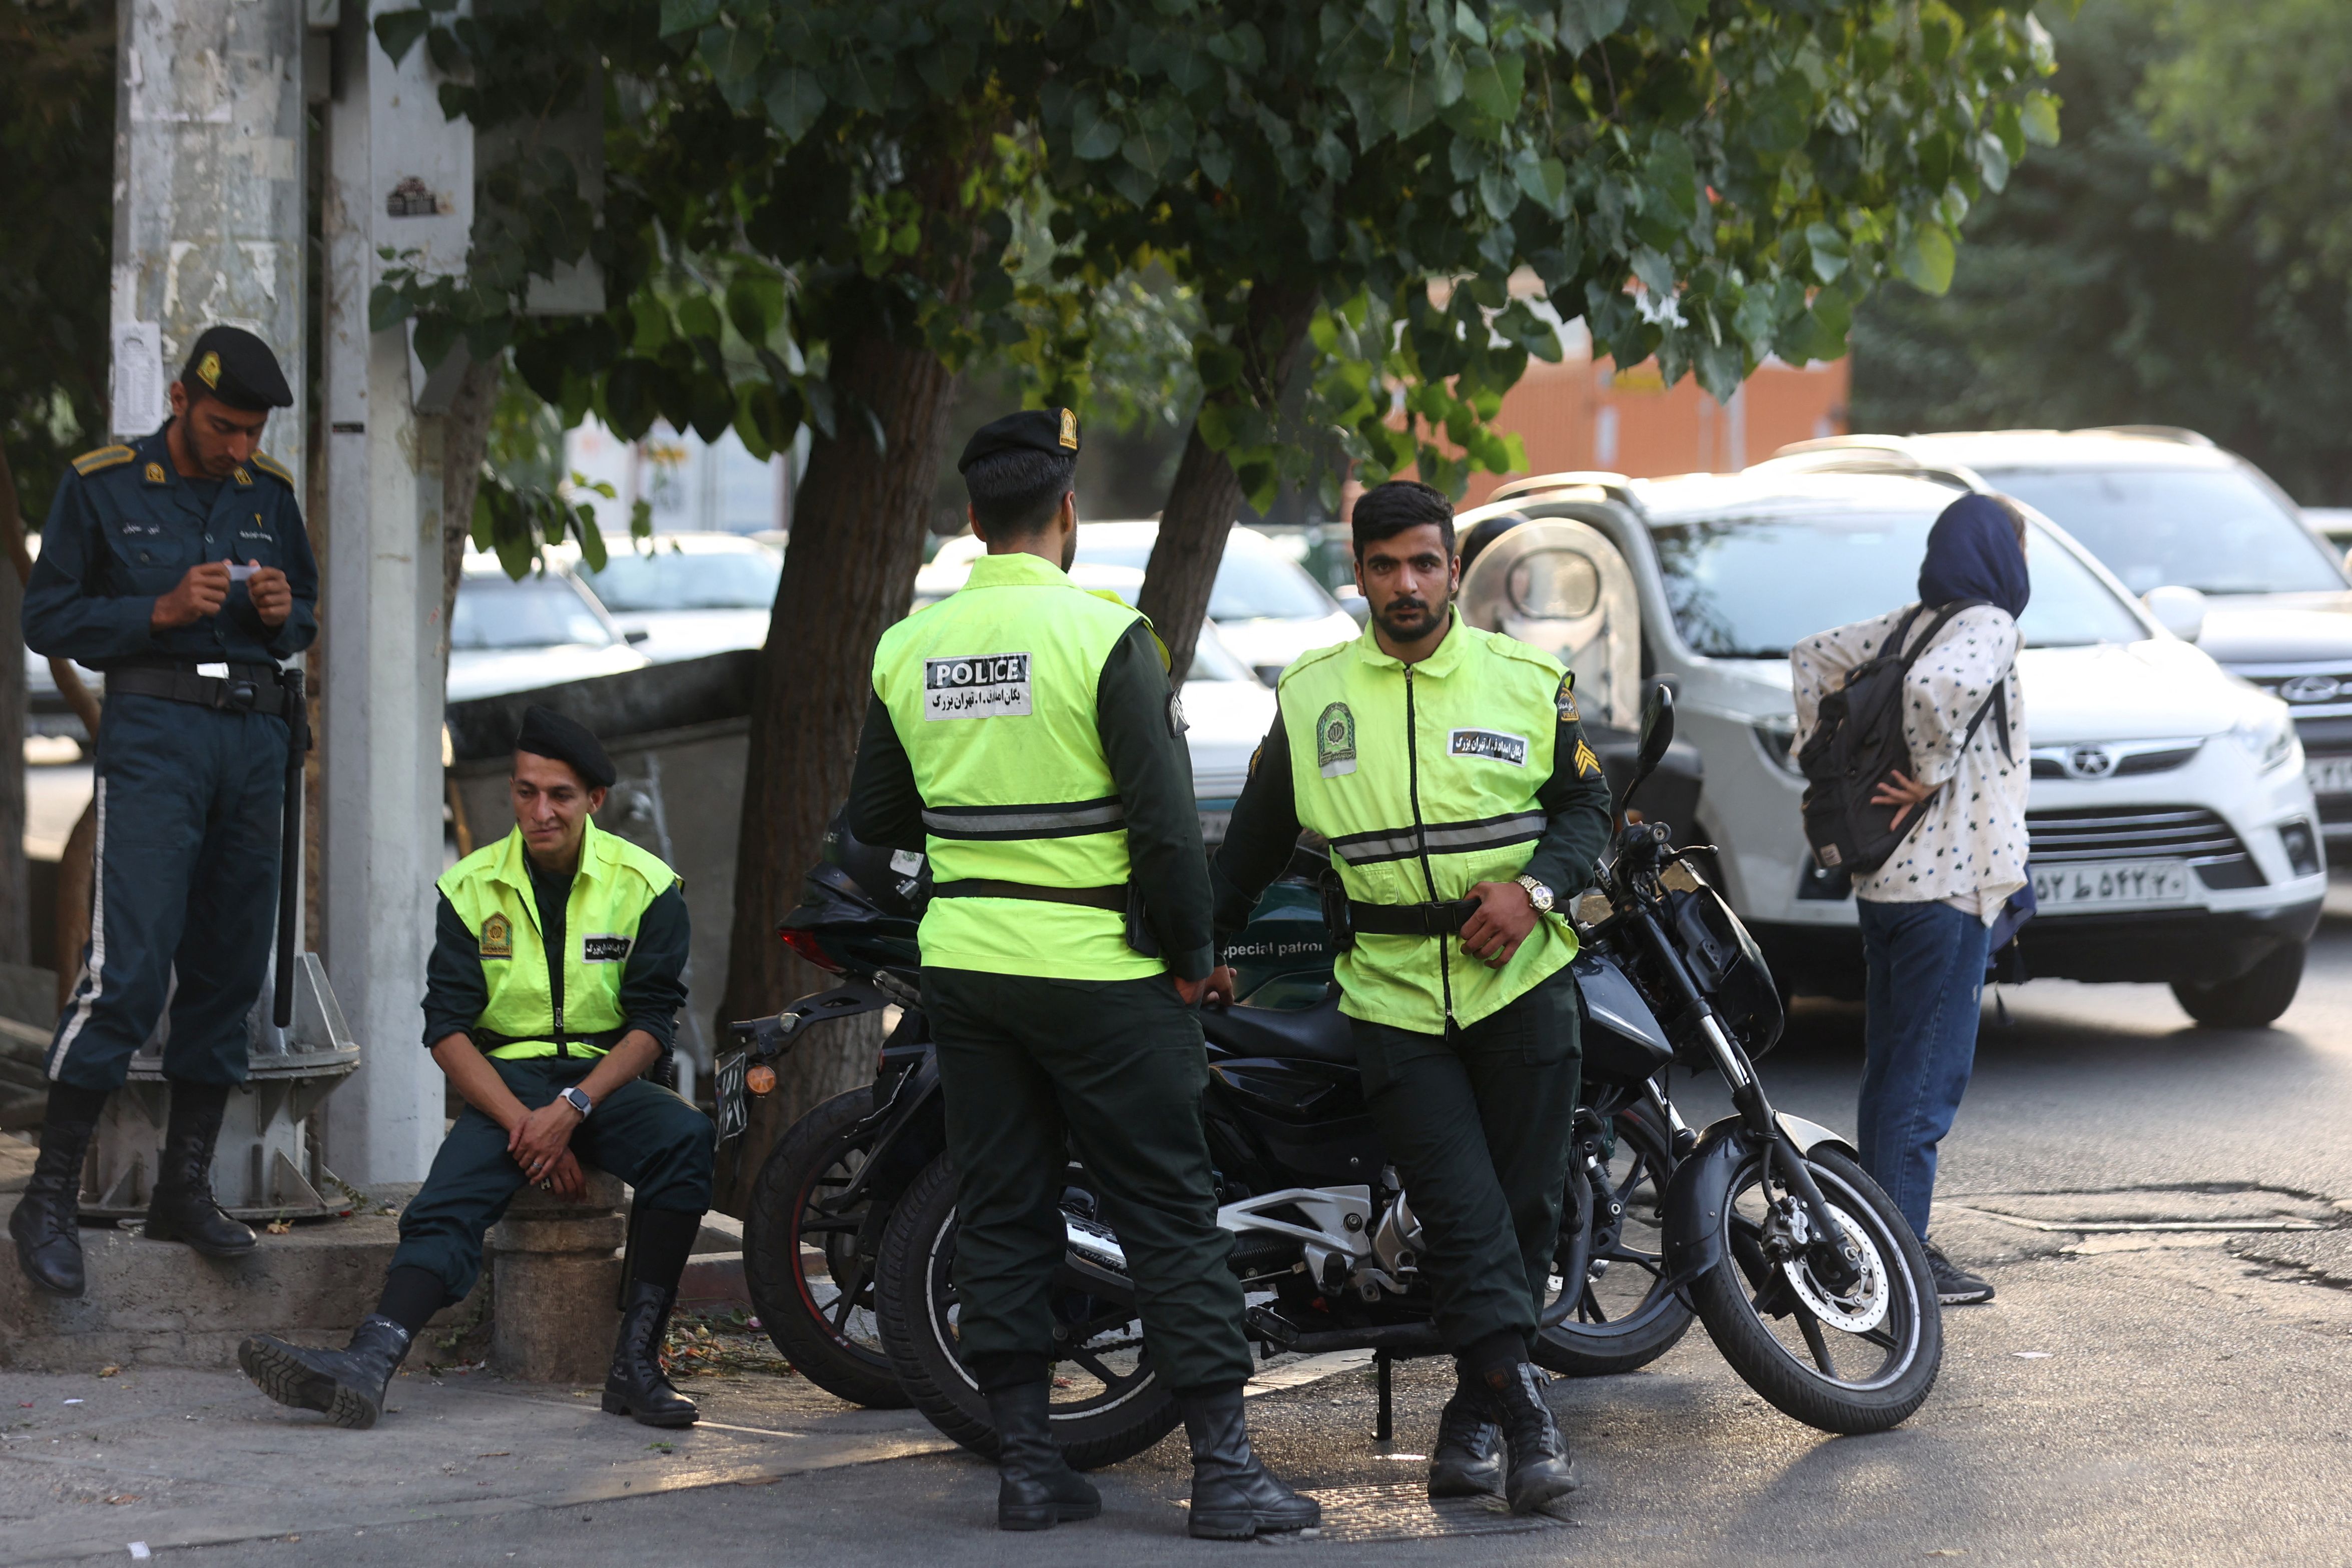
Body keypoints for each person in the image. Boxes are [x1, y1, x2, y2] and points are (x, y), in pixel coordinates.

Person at [844, 409, 1317, 1540]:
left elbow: (874, 817)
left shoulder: (908, 648)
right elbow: (1162, 832)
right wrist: (1196, 959)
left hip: (966, 968)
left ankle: (1025, 1465)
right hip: (1100, 973)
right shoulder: (1106, 635)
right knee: (1165, 1202)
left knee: (1003, 1201)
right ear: (1066, 515)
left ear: (969, 522)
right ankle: (1225, 1472)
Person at [1208, 479, 1613, 1516]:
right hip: (1389, 996)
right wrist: (1197, 943)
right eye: (1385, 565)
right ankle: (1523, 1415)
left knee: (1520, 1210)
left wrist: (1536, 893)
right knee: (1463, 1206)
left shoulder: (1526, 679)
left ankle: (1468, 1420)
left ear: (1451, 570)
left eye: (1424, 564)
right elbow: (1249, 848)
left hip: (1519, 982)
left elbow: (1583, 810)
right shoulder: (1310, 697)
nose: (1406, 585)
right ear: (1358, 571)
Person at [238, 707, 715, 1428]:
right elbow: (447, 1030)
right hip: (509, 1084)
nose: (540, 810)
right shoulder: (471, 886)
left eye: (558, 794)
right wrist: (531, 1126)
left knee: (686, 1139)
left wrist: (574, 1110)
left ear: (595, 800)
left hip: (606, 1080)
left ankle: (636, 1364)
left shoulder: (647, 885)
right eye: (526, 791)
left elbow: (652, 1026)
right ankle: (369, 1361)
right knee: (446, 1200)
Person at [11, 326, 319, 1297]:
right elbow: (47, 617)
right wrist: (156, 612)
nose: (238, 448)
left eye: (252, 431)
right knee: (130, 970)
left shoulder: (267, 492)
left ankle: (183, 1188)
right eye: (225, 426)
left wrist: (280, 611)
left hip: (254, 736)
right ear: (182, 398)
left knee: (226, 971)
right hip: (156, 734)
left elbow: (305, 610)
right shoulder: (101, 484)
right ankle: (49, 1195)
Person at [1789, 492, 2031, 1306]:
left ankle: (1876, 1238)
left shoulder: (1907, 623)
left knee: (1894, 1069)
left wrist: (1820, 752)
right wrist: (1924, 772)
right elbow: (1935, 692)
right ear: (2001, 555)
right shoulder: (1987, 625)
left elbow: (1811, 657)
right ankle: (1898, 1256)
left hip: (1887, 882)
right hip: (1946, 884)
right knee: (1923, 1083)